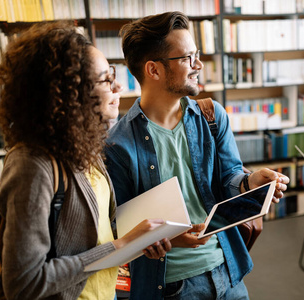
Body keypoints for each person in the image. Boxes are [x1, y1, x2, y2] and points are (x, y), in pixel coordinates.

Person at [105, 11, 289, 300]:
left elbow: (231, 177)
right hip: (171, 288)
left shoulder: (211, 115)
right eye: (187, 58)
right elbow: (120, 229)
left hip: (227, 269)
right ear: (154, 70)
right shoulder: (117, 146)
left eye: (197, 54)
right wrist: (168, 239)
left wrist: (250, 182)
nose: (199, 65)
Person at [0, 22, 171, 300]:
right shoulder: (32, 165)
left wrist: (141, 240)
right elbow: (23, 283)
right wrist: (120, 246)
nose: (117, 86)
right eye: (105, 79)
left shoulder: (85, 147)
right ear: (69, 93)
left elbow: (95, 230)